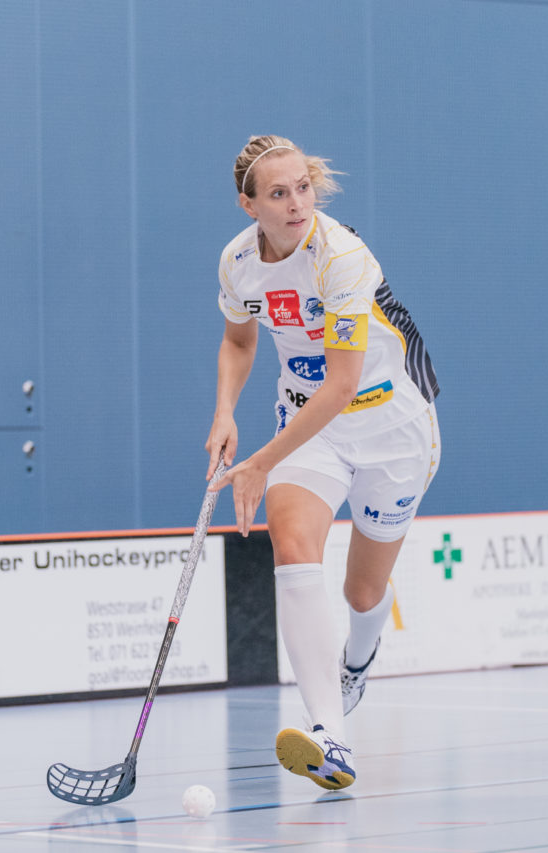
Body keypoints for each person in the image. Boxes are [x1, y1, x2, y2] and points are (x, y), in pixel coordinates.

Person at [205, 135, 441, 791]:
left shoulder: (340, 257)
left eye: (302, 188)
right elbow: (237, 338)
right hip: (311, 429)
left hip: (390, 426)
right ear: (248, 203)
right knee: (293, 538)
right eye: (278, 193)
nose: (295, 203)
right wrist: (226, 411)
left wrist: (256, 463)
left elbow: (341, 384)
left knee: (362, 593)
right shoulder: (238, 263)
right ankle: (330, 735)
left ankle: (358, 660)